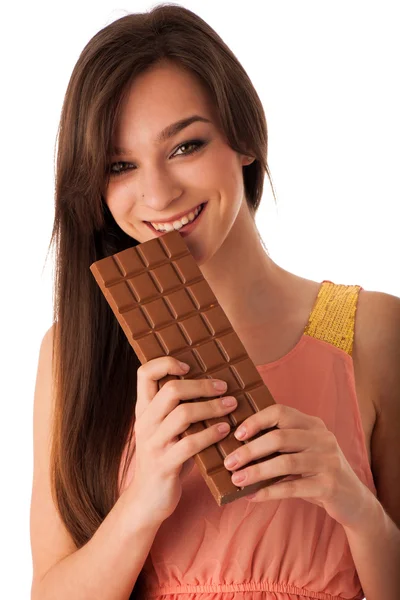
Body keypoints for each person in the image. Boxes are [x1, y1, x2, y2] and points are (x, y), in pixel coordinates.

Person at [30, 4, 400, 600]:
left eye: (185, 146)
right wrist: (141, 502)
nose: (158, 191)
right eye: (120, 165)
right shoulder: (72, 353)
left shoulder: (368, 330)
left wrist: (353, 503)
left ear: (246, 138)